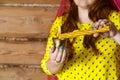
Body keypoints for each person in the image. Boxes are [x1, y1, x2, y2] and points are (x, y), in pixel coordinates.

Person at [41, 0, 120, 80]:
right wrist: (56, 61)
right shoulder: (61, 23)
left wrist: (116, 35)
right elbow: (48, 68)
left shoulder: (116, 20)